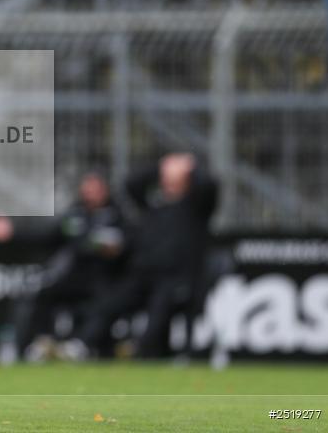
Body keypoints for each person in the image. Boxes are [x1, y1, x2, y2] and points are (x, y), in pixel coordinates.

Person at [60, 153, 218, 360]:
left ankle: (148, 355)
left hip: (174, 278)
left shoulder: (195, 206)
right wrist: (162, 166)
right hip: (142, 274)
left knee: (155, 325)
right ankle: (81, 345)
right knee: (107, 306)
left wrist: (190, 167)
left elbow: (210, 186)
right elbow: (130, 183)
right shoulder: (154, 203)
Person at [0, 172, 127, 361]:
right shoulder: (75, 215)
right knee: (36, 294)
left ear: (105, 190)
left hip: (105, 279)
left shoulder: (118, 216)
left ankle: (80, 346)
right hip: (73, 279)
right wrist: (12, 232)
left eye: (95, 189)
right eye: (87, 188)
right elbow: (46, 235)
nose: (90, 193)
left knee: (107, 303)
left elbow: (127, 245)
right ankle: (32, 345)